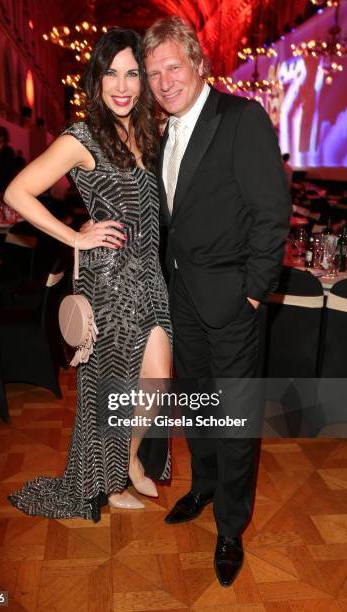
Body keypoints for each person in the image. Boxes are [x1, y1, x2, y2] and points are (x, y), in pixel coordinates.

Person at [144, 17, 290, 586]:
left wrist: (253, 293)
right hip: (184, 296)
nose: (162, 82)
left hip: (233, 302)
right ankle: (203, 486)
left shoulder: (240, 118)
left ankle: (231, 526)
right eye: (154, 73)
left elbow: (270, 213)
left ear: (199, 64)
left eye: (172, 68)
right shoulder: (165, 133)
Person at [5, 29, 172, 521]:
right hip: (112, 280)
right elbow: (18, 192)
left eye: (132, 73)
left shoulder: (144, 133)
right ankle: (111, 476)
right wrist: (76, 237)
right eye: (111, 73)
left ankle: (129, 455)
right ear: (96, 80)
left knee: (158, 378)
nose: (122, 85)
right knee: (114, 385)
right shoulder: (82, 137)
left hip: (151, 276)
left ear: (142, 80)